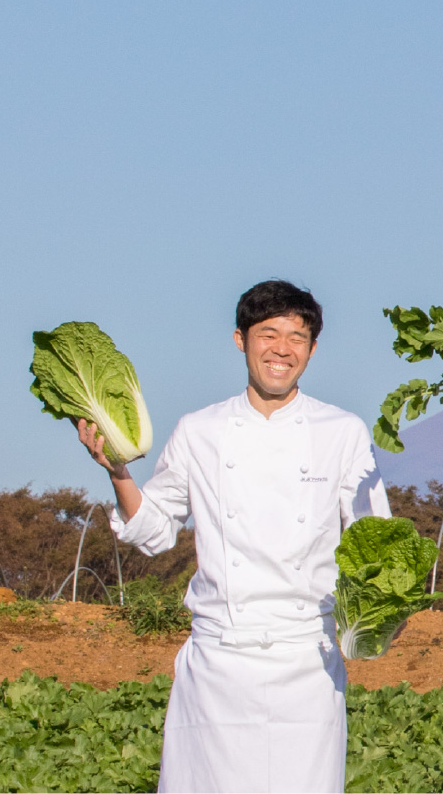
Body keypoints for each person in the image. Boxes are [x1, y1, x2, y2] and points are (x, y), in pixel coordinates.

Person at [81, 280, 392, 793]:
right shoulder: (200, 430)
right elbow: (155, 530)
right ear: (240, 339)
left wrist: (376, 620)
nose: (282, 349)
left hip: (306, 661)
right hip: (218, 661)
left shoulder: (343, 432)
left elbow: (373, 545)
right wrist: (118, 472)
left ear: (312, 350)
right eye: (268, 333)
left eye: (297, 337)